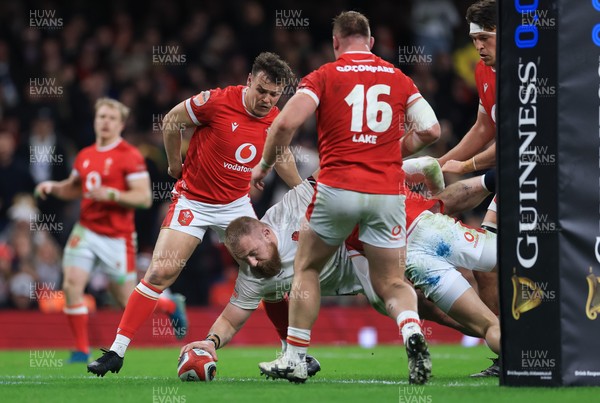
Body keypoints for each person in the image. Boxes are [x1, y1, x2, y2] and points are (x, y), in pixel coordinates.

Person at [251, 11, 441, 384]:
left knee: (306, 267)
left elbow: (285, 123)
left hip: (337, 188)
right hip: (387, 193)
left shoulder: (324, 75)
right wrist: (394, 150)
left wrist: (263, 166)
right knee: (392, 281)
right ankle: (412, 331)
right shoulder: (399, 77)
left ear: (335, 42)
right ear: (371, 42)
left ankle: (295, 357)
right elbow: (431, 130)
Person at [87, 52, 300, 376]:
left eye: (274, 94)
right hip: (194, 201)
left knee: (267, 273)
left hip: (236, 205)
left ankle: (292, 354)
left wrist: (302, 189)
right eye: (262, 90)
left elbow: (281, 154)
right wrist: (174, 163)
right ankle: (117, 351)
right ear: (249, 81)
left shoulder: (275, 118)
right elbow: (173, 120)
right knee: (160, 273)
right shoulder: (215, 101)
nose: (267, 100)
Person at [178, 169, 499, 379]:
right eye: (243, 260)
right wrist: (210, 342)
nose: (252, 263)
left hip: (368, 245)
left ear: (266, 232)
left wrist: (399, 169)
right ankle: (495, 335)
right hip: (366, 264)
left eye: (253, 253)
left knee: (427, 225)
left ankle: (487, 181)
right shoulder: (253, 275)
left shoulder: (291, 208)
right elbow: (233, 318)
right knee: (432, 307)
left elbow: (329, 177)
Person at [34, 98, 184, 363]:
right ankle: (81, 350)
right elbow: (75, 187)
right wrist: (54, 188)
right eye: (101, 116)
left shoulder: (130, 155)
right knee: (71, 286)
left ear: (121, 124)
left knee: (127, 299)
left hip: (117, 236)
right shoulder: (85, 155)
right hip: (87, 230)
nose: (105, 122)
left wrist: (111, 194)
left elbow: (144, 198)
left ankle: (170, 305)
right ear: (95, 120)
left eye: (111, 118)